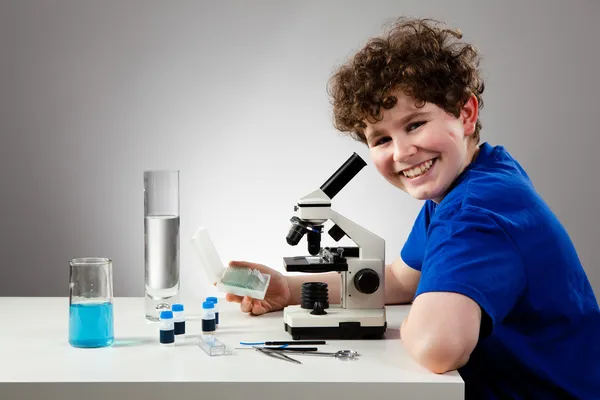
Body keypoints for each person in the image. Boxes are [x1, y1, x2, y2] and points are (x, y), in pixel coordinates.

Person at [225, 17, 600, 399]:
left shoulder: (474, 210)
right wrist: (289, 289)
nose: (402, 152)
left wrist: (408, 323)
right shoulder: (477, 178)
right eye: (382, 138)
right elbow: (405, 279)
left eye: (416, 124)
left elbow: (439, 348)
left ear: (466, 114)